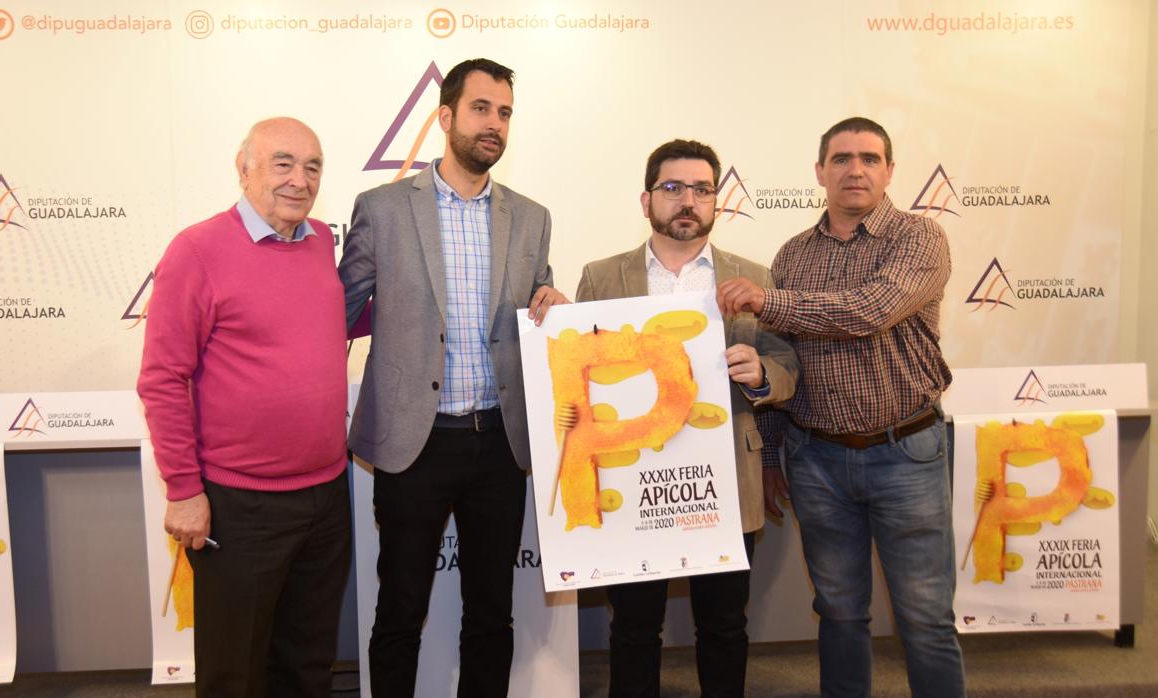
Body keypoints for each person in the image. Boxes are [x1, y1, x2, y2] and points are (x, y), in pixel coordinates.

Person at [338, 58, 569, 698]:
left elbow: (537, 299)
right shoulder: (381, 208)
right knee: (401, 607)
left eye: (504, 113)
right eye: (480, 109)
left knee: (492, 610)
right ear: (445, 117)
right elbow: (338, 312)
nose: (494, 124)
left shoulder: (531, 217)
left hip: (500, 439)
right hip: (415, 440)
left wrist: (551, 298)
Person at [718, 117, 964, 697]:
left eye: (870, 158)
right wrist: (774, 452)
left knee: (926, 619)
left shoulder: (920, 238)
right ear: (820, 171)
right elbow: (783, 360)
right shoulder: (793, 254)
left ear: (890, 171)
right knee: (838, 612)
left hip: (907, 453)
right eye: (843, 158)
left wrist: (768, 300)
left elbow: (868, 311)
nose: (856, 169)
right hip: (816, 459)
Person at [138, 117, 351, 697]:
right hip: (240, 506)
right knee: (235, 672)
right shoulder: (198, 250)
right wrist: (183, 489)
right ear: (244, 168)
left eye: (313, 166)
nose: (299, 179)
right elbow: (162, 377)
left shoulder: (321, 242)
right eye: (282, 162)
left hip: (327, 497)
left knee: (308, 666)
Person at [578, 139, 798, 697]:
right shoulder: (602, 278)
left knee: (724, 625)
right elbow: (579, 374)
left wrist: (763, 371)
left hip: (725, 480)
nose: (687, 201)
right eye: (672, 188)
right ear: (646, 199)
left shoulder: (753, 275)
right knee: (632, 627)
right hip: (633, 479)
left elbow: (790, 363)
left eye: (702, 190)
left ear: (717, 201)